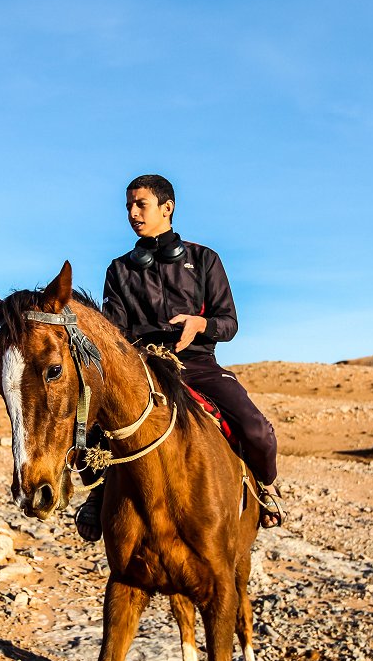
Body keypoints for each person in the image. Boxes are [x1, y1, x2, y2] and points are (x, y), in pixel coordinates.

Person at [75, 173, 285, 541]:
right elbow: (114, 331)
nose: (132, 213)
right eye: (128, 206)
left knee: (257, 430)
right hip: (142, 368)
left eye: (141, 204)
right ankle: (97, 492)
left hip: (197, 365)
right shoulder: (119, 270)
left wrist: (200, 324)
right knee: (91, 426)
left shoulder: (205, 259)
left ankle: (265, 488)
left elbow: (229, 323)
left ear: (167, 208)